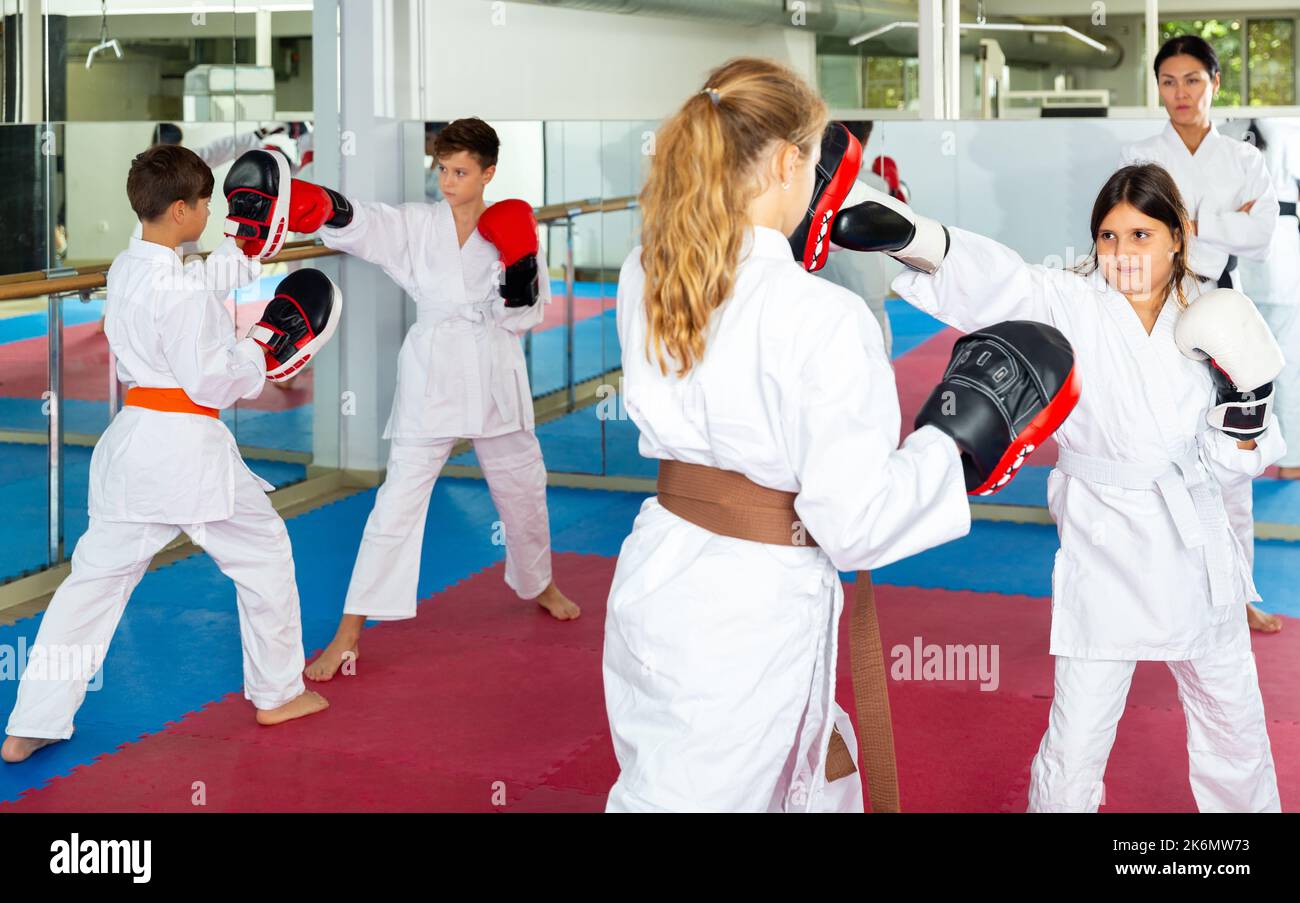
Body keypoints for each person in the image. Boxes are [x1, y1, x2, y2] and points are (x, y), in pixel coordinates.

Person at [603, 59, 1075, 812]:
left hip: (660, 573)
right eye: (817, 159)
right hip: (752, 610)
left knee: (808, 775)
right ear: (792, 162)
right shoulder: (821, 317)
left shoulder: (648, 273)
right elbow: (852, 524)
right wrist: (951, 448)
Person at [841, 161, 1284, 811]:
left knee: (1233, 723)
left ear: (1176, 239)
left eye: (1140, 235)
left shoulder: (1213, 315)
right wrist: (916, 237)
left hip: (1196, 551)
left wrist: (1247, 409)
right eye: (1108, 236)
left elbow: (1235, 462)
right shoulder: (1071, 302)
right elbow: (1000, 282)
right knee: (1077, 733)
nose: (1122, 252)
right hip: (1105, 547)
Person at [2, 144, 331, 763]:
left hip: (132, 448)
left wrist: (239, 261)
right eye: (206, 202)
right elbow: (209, 379)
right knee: (264, 558)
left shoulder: (131, 265)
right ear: (181, 210)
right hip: (188, 452)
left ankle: (31, 723)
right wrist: (261, 355)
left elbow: (183, 282)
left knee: (91, 587)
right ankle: (278, 692)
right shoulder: (180, 293)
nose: (211, 210)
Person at [219, 118, 580, 682]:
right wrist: (303, 201)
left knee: (524, 488)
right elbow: (361, 222)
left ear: (488, 173)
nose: (449, 182)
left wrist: (522, 267)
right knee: (395, 506)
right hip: (433, 375)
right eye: (442, 170)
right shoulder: (419, 224)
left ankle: (540, 583)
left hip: (493, 370)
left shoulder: (510, 226)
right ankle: (348, 634)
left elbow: (524, 316)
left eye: (461, 172)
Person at [1120, 35, 1283, 634]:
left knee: (1232, 454)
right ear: (1158, 87)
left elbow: (1261, 237)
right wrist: (1220, 224)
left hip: (1221, 307)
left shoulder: (1245, 161)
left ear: (1215, 83)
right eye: (1168, 81)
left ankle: (1238, 595)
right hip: (1150, 308)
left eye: (1192, 80)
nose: (1180, 93)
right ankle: (1152, 595)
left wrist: (1188, 223)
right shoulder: (1139, 155)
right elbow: (1131, 232)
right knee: (1151, 447)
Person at [1236, 119, 1300, 487]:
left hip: (1239, 259)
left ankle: (1240, 451)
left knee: (1238, 366)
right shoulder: (1288, 131)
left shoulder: (1223, 132)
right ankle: (1290, 458)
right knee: (1287, 364)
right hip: (1278, 261)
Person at [814, 121, 897, 355]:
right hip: (865, 285)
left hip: (821, 278)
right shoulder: (876, 184)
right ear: (867, 140)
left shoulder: (814, 180)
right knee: (874, 352)